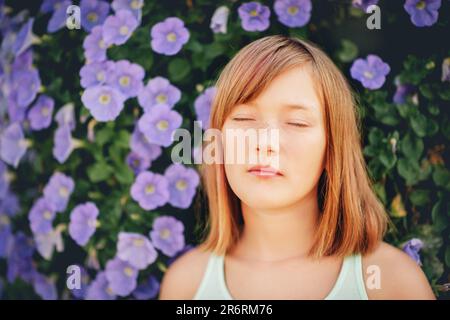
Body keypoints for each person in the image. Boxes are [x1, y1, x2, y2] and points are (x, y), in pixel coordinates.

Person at [159, 35, 435, 300]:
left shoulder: (390, 282)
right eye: (244, 118)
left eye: (296, 123)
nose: (265, 142)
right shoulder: (187, 285)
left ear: (332, 148)